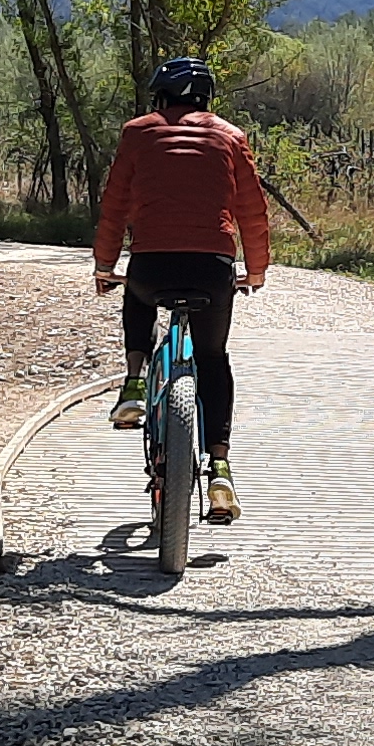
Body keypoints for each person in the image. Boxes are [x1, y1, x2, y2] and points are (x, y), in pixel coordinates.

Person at [93, 56, 272, 524]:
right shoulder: (230, 137)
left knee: (136, 293)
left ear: (161, 96)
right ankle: (220, 469)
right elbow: (252, 211)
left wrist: (105, 265)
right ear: (206, 98)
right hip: (212, 269)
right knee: (212, 358)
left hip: (151, 266)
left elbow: (115, 205)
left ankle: (134, 383)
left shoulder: (138, 133)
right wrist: (255, 271)